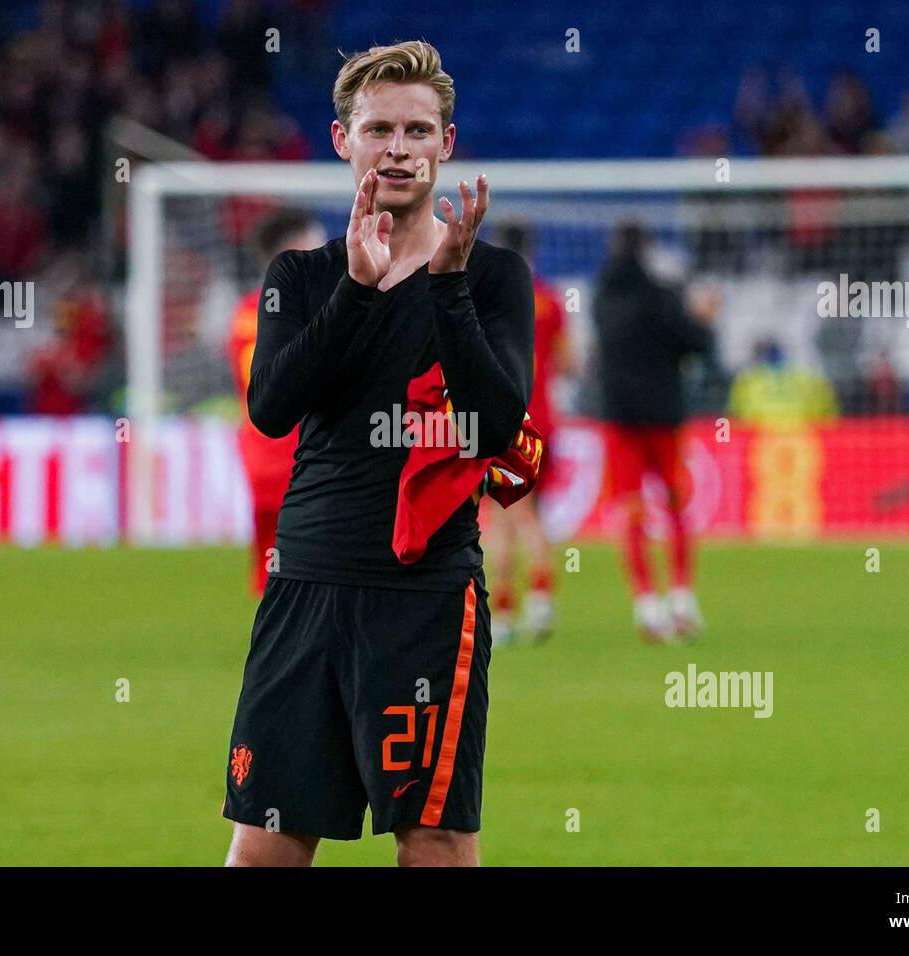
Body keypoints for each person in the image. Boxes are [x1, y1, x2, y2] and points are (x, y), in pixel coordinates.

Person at [222, 40, 533, 867]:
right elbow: (272, 410)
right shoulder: (302, 275)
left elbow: (495, 426)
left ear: (446, 144)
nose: (398, 147)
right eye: (379, 128)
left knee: (433, 842)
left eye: (418, 130)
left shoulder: (494, 278)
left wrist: (449, 287)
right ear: (342, 140)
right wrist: (358, 292)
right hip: (307, 583)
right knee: (266, 845)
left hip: (426, 594)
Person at [591, 222, 717, 643]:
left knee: (630, 511)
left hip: (619, 419)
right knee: (676, 504)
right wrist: (703, 318)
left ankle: (646, 605)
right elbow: (694, 343)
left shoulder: (601, 298)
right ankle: (682, 600)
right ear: (645, 249)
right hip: (663, 417)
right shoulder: (661, 296)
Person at [226, 210, 327, 594]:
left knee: (272, 574)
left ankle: (275, 648)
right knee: (319, 572)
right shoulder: (303, 309)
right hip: (303, 453)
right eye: (313, 244)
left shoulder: (245, 312)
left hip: (258, 451)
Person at [482, 222, 570, 645]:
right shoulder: (549, 299)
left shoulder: (484, 297)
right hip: (544, 420)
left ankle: (514, 608)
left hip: (502, 421)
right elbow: (569, 362)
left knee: (503, 516)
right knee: (527, 514)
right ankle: (532, 602)